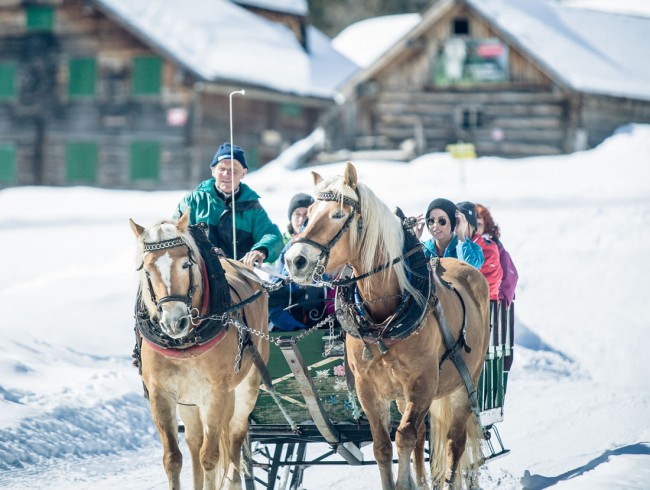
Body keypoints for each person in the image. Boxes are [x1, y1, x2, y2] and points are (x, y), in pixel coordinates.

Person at [174, 142, 283, 268]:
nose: (227, 174)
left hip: (240, 276)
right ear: (213, 170)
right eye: (222, 169)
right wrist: (206, 251)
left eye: (233, 170)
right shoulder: (194, 201)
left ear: (243, 173)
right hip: (200, 273)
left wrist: (261, 250)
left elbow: (272, 235)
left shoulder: (252, 207)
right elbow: (176, 232)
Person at [268, 193, 330, 331]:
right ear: (290, 217)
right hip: (289, 319)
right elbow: (275, 286)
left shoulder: (325, 246)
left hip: (321, 318)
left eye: (306, 214)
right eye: (297, 214)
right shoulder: (281, 246)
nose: (301, 219)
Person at [476, 203, 519, 392]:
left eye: (479, 222)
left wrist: (498, 300)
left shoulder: (492, 247)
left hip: (493, 306)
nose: (476, 226)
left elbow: (508, 278)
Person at [415, 198, 484, 269]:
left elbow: (470, 270)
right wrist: (414, 240)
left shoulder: (474, 249)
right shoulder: (424, 250)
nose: (435, 225)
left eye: (442, 221)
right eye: (431, 221)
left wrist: (460, 234)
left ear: (452, 222)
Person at [457, 201, 503, 301]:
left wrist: (461, 238)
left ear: (473, 226)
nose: (457, 228)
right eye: (455, 223)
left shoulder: (488, 248)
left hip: (485, 306)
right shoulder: (454, 244)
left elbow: (468, 271)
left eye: (461, 223)